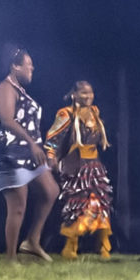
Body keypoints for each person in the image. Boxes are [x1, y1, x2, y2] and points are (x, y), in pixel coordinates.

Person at [0, 45, 59, 261]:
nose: (32, 68)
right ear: (15, 66)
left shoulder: (21, 91)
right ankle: (10, 259)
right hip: (6, 152)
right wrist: (32, 145)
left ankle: (32, 241)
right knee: (18, 205)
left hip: (26, 152)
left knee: (51, 190)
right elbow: (7, 119)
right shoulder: (5, 88)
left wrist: (41, 148)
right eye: (28, 65)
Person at [45, 81, 114, 257]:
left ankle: (103, 246)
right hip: (76, 166)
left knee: (99, 203)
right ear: (74, 95)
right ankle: (70, 246)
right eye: (84, 93)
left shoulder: (94, 112)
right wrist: (51, 156)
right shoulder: (66, 114)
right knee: (77, 205)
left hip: (95, 166)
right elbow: (53, 137)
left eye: (90, 93)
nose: (88, 96)